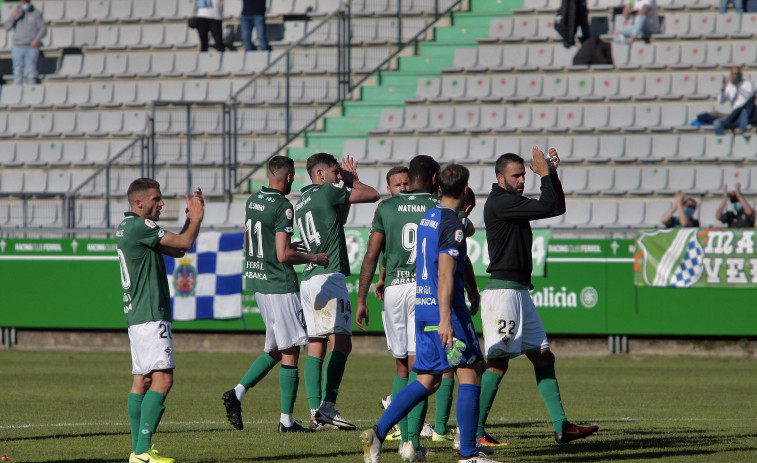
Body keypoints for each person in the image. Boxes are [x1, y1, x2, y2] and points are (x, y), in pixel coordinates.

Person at [361, 163, 500, 463]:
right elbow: (448, 274)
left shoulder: (429, 218)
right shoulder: (452, 224)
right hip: (444, 312)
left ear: (439, 188)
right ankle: (467, 453)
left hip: (424, 310)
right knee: (471, 373)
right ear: (464, 191)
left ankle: (378, 432)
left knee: (428, 380)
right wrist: (448, 319)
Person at [476, 147, 599, 446]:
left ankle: (561, 425)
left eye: (523, 175)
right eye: (515, 176)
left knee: (544, 356)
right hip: (503, 293)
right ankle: (474, 433)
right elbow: (550, 206)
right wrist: (545, 175)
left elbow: (555, 206)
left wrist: (550, 174)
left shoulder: (511, 201)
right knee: (497, 362)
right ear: (499, 178)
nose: (521, 181)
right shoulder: (501, 202)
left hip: (519, 293)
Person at [221, 156, 329, 434]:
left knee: (275, 349)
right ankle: (286, 422)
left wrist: (281, 247)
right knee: (291, 350)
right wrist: (313, 256)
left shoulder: (253, 200)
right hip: (279, 284)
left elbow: (250, 241)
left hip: (259, 282)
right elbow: (283, 255)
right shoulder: (284, 207)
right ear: (290, 176)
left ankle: (238, 392)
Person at [356, 158, 445, 460]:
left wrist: (361, 299)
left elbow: (371, 257)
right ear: (431, 178)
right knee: (423, 369)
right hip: (422, 289)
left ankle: (401, 439)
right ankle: (410, 443)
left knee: (401, 367)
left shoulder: (385, 208)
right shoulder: (436, 204)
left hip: (394, 290)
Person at [117, 179, 204, 463]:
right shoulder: (142, 227)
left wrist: (189, 221)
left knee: (141, 381)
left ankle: (137, 451)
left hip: (137, 316)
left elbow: (178, 250)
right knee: (163, 380)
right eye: (156, 199)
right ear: (139, 203)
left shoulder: (127, 227)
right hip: (151, 315)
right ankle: (142, 450)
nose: (161, 203)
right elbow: (187, 242)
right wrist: (196, 219)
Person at [295, 153, 379, 430]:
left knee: (316, 345)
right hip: (329, 277)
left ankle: (315, 413)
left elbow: (337, 221)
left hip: (308, 280)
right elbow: (372, 194)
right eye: (334, 172)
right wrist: (353, 179)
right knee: (342, 342)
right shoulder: (328, 190)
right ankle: (328, 407)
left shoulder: (304, 200)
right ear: (320, 174)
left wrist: (343, 185)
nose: (338, 176)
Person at [3, 0, 46, 85]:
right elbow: (7, 27)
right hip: (17, 47)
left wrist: (37, 39)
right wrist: (14, 17)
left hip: (31, 47)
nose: (22, 4)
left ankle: (31, 95)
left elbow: (43, 28)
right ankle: (17, 95)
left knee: (31, 73)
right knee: (18, 72)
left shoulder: (36, 13)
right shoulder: (17, 12)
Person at [714, 66, 756, 135]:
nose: (735, 76)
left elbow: (749, 97)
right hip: (735, 115)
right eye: (733, 74)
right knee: (718, 123)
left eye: (737, 74)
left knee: (744, 113)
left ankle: (741, 129)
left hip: (747, 114)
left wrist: (738, 86)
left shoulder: (748, 84)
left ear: (741, 74)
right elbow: (721, 101)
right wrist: (723, 89)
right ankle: (722, 143)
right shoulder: (729, 86)